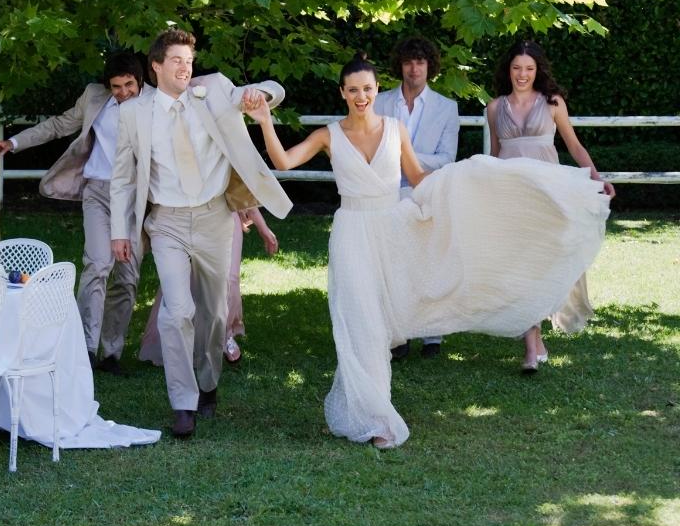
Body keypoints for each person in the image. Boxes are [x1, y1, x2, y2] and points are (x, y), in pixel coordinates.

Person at [244, 55, 609, 449]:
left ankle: (374, 407)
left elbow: (417, 178)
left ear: (374, 90)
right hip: (351, 233)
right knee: (360, 321)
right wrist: (265, 120)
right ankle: (376, 416)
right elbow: (283, 161)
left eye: (368, 89)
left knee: (387, 317)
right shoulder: (329, 135)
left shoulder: (395, 129)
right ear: (343, 93)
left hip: (391, 228)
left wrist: (463, 182)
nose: (362, 96)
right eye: (353, 90)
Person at [109, 28, 292, 439]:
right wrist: (120, 231)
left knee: (213, 314)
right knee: (178, 312)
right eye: (176, 60)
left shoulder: (214, 90)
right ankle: (183, 403)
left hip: (214, 218)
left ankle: (208, 382)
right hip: (167, 223)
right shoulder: (133, 113)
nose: (185, 67)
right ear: (156, 66)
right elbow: (121, 178)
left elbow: (273, 90)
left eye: (189, 60)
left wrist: (260, 94)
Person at [0, 52, 150, 374]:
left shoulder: (157, 104)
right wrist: (15, 142)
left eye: (129, 84)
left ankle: (111, 353)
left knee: (128, 277)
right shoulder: (94, 97)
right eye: (116, 86)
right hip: (97, 192)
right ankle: (84, 349)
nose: (122, 92)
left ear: (140, 79)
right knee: (97, 264)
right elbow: (60, 124)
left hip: (136, 198)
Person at [486, 40, 616, 373]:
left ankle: (536, 341)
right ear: (508, 70)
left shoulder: (553, 103)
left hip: (547, 194)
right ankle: (532, 346)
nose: (522, 75)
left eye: (529, 68)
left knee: (541, 264)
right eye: (516, 68)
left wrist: (597, 178)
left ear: (537, 70)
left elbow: (573, 144)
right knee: (519, 267)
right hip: (511, 193)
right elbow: (496, 154)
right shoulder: (494, 107)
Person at [374, 37, 460, 360]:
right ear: (401, 65)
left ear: (430, 67)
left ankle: (432, 334)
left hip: (426, 193)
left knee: (428, 261)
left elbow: (446, 158)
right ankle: (398, 334)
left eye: (421, 62)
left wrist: (402, 153)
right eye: (409, 62)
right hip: (385, 194)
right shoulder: (379, 103)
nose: (414, 68)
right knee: (393, 265)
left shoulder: (446, 108)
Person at [138, 207, 279, 366]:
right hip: (195, 216)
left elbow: (242, 188)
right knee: (189, 279)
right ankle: (175, 342)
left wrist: (262, 226)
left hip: (228, 217)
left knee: (230, 280)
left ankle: (226, 334)